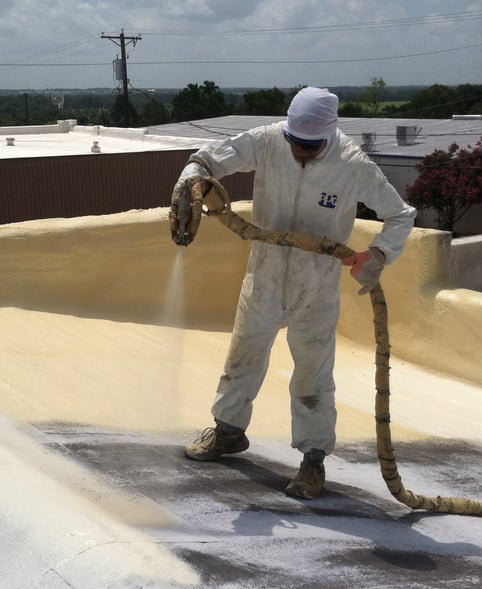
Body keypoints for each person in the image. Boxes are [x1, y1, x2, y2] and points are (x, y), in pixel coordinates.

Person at [170, 86, 415, 499]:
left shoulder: (352, 164)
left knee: (312, 375)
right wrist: (191, 176)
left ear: (330, 136)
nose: (300, 151)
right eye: (295, 143)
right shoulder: (268, 141)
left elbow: (400, 216)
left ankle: (313, 459)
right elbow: (210, 159)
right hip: (264, 274)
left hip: (315, 286)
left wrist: (377, 254)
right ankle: (228, 431)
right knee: (243, 355)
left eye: (310, 146)